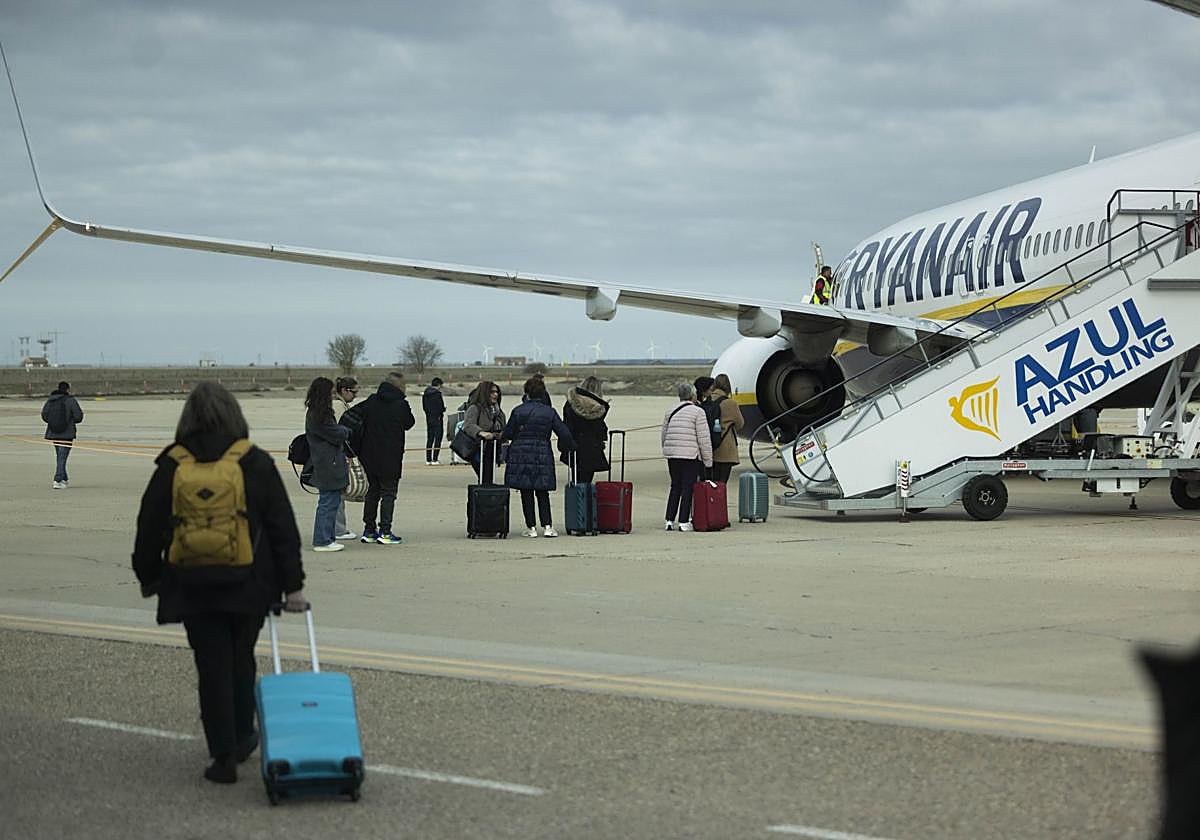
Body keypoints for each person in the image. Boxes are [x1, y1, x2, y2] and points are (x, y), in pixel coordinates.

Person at [131, 381, 307, 785]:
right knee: (241, 658)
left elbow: (149, 527)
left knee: (211, 665)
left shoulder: (173, 463)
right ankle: (244, 734)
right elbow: (282, 527)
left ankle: (222, 757)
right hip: (249, 581)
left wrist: (150, 576)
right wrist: (292, 585)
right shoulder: (253, 461)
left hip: (191, 582)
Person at [503, 377, 575, 537]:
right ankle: (548, 526)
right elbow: (563, 432)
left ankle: (531, 528)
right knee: (542, 491)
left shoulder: (518, 410)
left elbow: (508, 433)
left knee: (526, 491)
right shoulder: (549, 412)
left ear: (526, 392)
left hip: (520, 452)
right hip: (542, 451)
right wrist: (572, 447)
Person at [355, 371, 415, 545]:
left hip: (368, 455)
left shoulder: (371, 401)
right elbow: (409, 423)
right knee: (388, 493)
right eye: (403, 386)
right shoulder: (400, 404)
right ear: (398, 386)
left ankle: (369, 530)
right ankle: (385, 531)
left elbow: (355, 417)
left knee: (372, 493)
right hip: (391, 455)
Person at [304, 377, 350, 552]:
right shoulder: (320, 414)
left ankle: (327, 538)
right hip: (327, 461)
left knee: (331, 500)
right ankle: (322, 540)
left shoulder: (316, 411)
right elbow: (336, 433)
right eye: (331, 393)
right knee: (328, 501)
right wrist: (345, 430)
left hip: (326, 460)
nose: (333, 396)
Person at [661, 382, 713, 531]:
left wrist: (667, 448)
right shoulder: (698, 412)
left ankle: (669, 520)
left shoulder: (670, 410)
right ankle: (684, 521)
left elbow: (664, 434)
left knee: (675, 486)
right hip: (689, 455)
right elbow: (703, 438)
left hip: (672, 454)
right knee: (687, 488)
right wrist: (708, 461)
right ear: (692, 395)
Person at [560, 376, 609, 483]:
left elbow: (567, 427)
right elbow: (599, 430)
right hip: (591, 448)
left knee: (576, 480)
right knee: (586, 481)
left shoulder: (570, 404)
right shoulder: (598, 408)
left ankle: (577, 498)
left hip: (575, 446)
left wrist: (564, 445)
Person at [41, 380, 84, 489]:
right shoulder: (70, 400)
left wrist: (53, 422)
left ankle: (64, 478)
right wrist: (69, 421)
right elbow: (78, 416)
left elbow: (44, 415)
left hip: (53, 432)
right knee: (62, 457)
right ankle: (58, 479)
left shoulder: (51, 400)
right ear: (68, 389)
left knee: (60, 456)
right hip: (67, 433)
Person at [332, 376, 360, 541]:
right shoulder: (338, 406)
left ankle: (337, 528)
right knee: (337, 494)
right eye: (354, 392)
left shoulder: (338, 404)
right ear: (344, 390)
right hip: (338, 455)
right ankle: (339, 529)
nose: (355, 395)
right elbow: (341, 432)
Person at [463, 380, 506, 481]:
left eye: (497, 392)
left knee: (489, 477)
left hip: (494, 448)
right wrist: (481, 433)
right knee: (484, 477)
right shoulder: (474, 408)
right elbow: (468, 426)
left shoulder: (498, 411)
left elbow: (503, 426)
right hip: (478, 449)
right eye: (492, 392)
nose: (495, 395)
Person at [707, 373, 745, 483]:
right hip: (725, 449)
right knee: (721, 484)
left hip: (708, 448)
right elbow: (740, 424)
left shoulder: (707, 401)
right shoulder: (730, 403)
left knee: (710, 483)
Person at [423, 377, 446, 465]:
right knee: (438, 439)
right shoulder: (437, 394)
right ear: (438, 385)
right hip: (437, 419)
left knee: (430, 439)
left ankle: (428, 460)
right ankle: (435, 459)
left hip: (429, 418)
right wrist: (443, 410)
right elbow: (440, 407)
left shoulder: (426, 394)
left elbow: (424, 407)